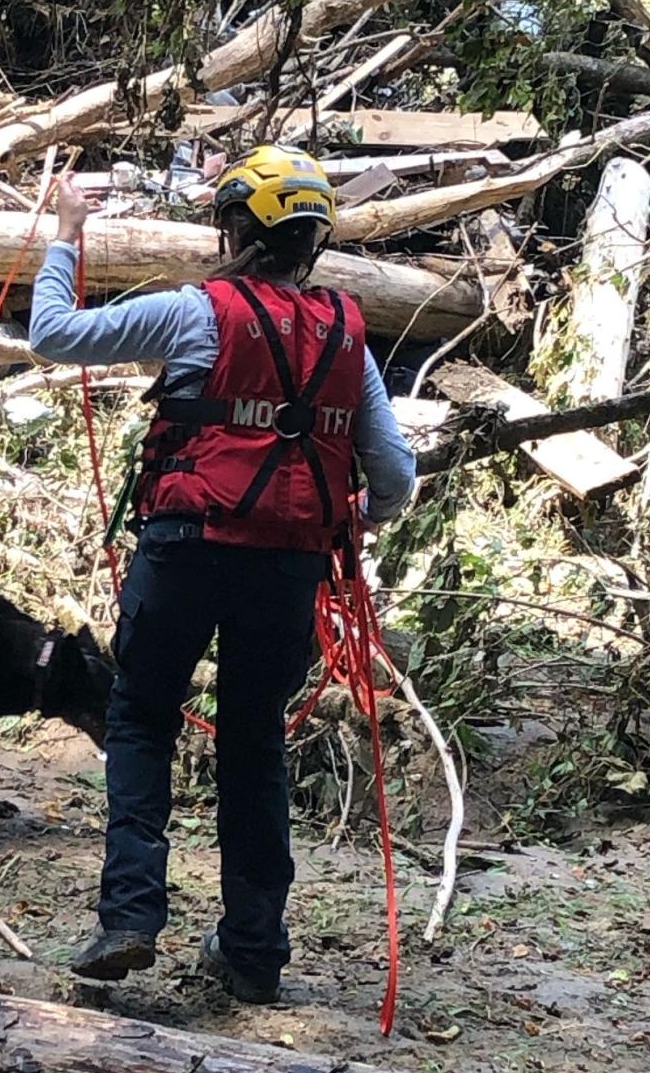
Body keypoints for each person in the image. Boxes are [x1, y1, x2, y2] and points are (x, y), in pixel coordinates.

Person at [28, 146, 417, 1003]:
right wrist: (345, 521)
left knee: (140, 717)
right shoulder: (348, 337)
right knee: (254, 743)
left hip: (185, 547)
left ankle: (130, 919)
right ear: (311, 241)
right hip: (287, 566)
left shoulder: (195, 313)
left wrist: (66, 235)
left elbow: (54, 334)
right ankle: (252, 951)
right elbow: (393, 475)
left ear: (235, 227)